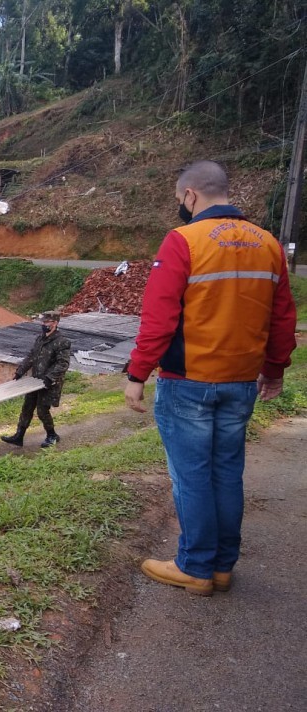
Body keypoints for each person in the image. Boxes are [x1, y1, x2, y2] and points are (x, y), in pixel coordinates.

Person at [125, 160, 297, 596]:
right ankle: (222, 566)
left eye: (178, 199)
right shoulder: (269, 244)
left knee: (192, 476)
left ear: (190, 196)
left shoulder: (184, 241)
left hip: (189, 381)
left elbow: (159, 317)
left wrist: (137, 372)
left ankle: (196, 568)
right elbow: (282, 320)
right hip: (241, 382)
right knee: (226, 472)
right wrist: (274, 372)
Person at [0, 311, 71, 448]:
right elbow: (31, 356)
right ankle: (19, 436)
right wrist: (20, 371)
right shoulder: (40, 339)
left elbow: (63, 364)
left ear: (55, 323)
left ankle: (52, 435)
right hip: (34, 381)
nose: (43, 325)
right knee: (27, 408)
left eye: (46, 322)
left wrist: (50, 378)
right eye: (43, 322)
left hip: (49, 383)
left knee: (42, 411)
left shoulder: (62, 342)